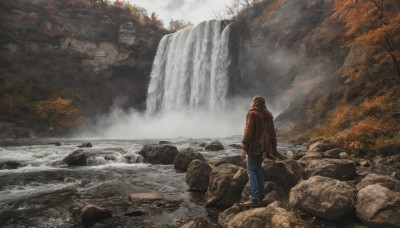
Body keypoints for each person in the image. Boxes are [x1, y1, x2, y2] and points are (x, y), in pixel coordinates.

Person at [240, 96, 277, 207]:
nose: (251, 103)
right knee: (257, 170)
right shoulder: (268, 115)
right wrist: (273, 147)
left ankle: (255, 198)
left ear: (254, 103)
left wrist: (244, 146)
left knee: (251, 170)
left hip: (253, 146)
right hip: (263, 147)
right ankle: (260, 195)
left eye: (252, 101)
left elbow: (249, 130)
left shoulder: (252, 114)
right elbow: (273, 134)